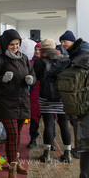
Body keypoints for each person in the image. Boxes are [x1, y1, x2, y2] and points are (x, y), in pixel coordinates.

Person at [0, 29, 34, 178]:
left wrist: (31, 79)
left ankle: (14, 161)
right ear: (6, 44)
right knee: (12, 133)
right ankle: (13, 165)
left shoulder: (24, 58)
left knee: (17, 134)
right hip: (6, 101)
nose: (15, 47)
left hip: (22, 101)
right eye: (12, 44)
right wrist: (2, 79)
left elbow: (32, 73)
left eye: (17, 44)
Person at [34, 39, 72, 163]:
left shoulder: (39, 61)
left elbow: (37, 76)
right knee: (64, 124)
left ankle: (47, 154)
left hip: (46, 96)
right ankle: (67, 153)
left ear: (43, 49)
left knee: (49, 124)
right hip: (62, 97)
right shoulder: (64, 60)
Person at [59, 31, 89, 176]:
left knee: (85, 149)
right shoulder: (79, 54)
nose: (63, 45)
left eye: (65, 41)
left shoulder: (80, 57)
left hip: (83, 109)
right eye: (62, 42)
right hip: (82, 107)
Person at [27, 42, 41, 148]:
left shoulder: (50, 62)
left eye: (39, 50)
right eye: (36, 49)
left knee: (50, 121)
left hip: (46, 95)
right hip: (34, 94)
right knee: (34, 118)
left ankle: (50, 142)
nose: (36, 51)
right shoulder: (30, 63)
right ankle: (33, 139)